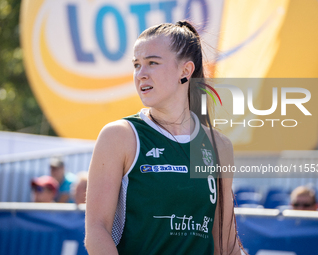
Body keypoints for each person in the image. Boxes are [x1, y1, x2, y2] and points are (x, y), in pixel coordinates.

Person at [85, 21, 243, 255]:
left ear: (185, 71)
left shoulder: (218, 146)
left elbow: (227, 245)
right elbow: (97, 232)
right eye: (137, 65)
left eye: (152, 63)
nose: (141, 74)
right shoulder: (120, 136)